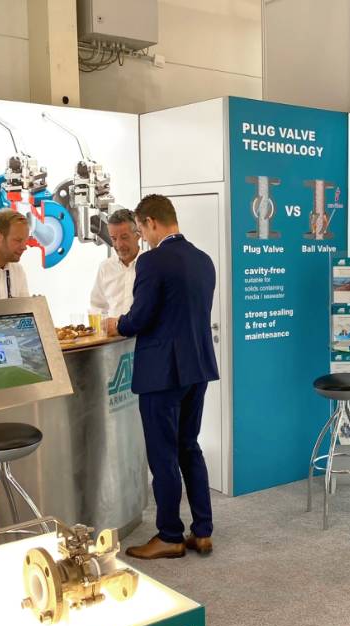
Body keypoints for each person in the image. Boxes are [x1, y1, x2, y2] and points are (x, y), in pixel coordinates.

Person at [104, 194, 219, 560]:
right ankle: (202, 531)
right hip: (197, 368)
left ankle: (169, 535)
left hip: (162, 373)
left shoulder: (152, 261)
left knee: (163, 454)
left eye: (140, 230)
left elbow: (140, 317)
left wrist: (117, 324)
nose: (142, 237)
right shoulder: (203, 260)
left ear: (151, 222)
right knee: (189, 446)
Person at [90, 208, 145, 317]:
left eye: (124, 237)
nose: (119, 245)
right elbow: (97, 307)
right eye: (114, 239)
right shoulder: (105, 267)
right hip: (111, 328)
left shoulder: (150, 266)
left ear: (138, 235)